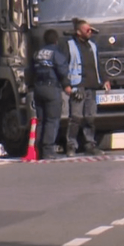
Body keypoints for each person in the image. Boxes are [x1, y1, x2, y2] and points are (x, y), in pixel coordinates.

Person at [63, 18, 110, 157]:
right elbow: (63, 66)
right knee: (75, 118)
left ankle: (90, 145)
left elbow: (98, 64)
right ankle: (71, 146)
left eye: (90, 29)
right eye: (87, 30)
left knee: (90, 118)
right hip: (78, 86)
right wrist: (66, 85)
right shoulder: (69, 45)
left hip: (92, 86)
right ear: (78, 32)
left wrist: (105, 80)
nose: (90, 32)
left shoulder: (92, 46)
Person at [33, 29, 72, 160]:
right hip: (51, 88)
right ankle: (48, 150)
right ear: (56, 40)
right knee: (52, 120)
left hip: (38, 88)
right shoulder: (56, 53)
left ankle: (37, 149)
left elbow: (29, 70)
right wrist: (67, 85)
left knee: (41, 120)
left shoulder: (37, 53)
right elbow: (62, 69)